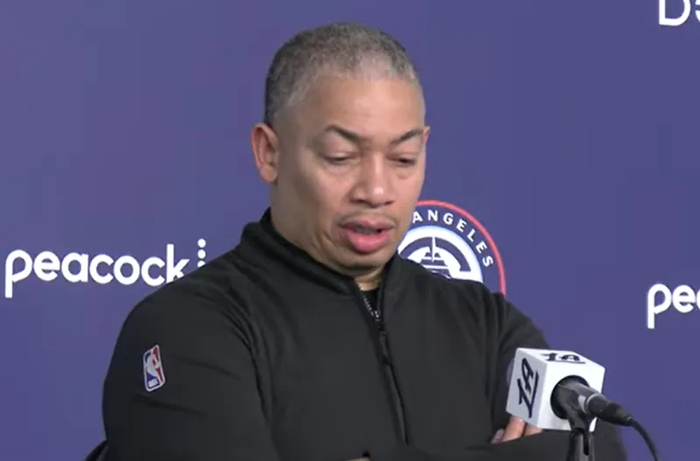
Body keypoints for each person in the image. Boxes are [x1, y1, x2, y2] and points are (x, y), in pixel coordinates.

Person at [101, 22, 627, 461]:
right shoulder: (188, 328)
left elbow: (599, 447)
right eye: (341, 157)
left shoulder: (485, 326)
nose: (376, 190)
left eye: (403, 159)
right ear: (269, 153)